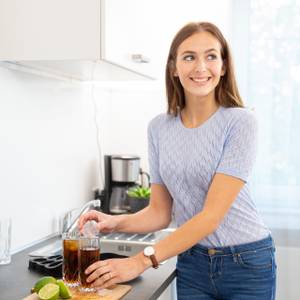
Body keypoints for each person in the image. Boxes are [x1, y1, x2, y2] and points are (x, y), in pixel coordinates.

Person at [78, 22, 276, 299]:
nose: (200, 67)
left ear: (224, 66)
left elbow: (210, 217)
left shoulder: (241, 122)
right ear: (174, 67)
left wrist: (139, 261)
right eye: (189, 57)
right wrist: (114, 222)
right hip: (192, 263)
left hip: (246, 262)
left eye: (211, 56)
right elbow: (159, 213)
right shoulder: (159, 128)